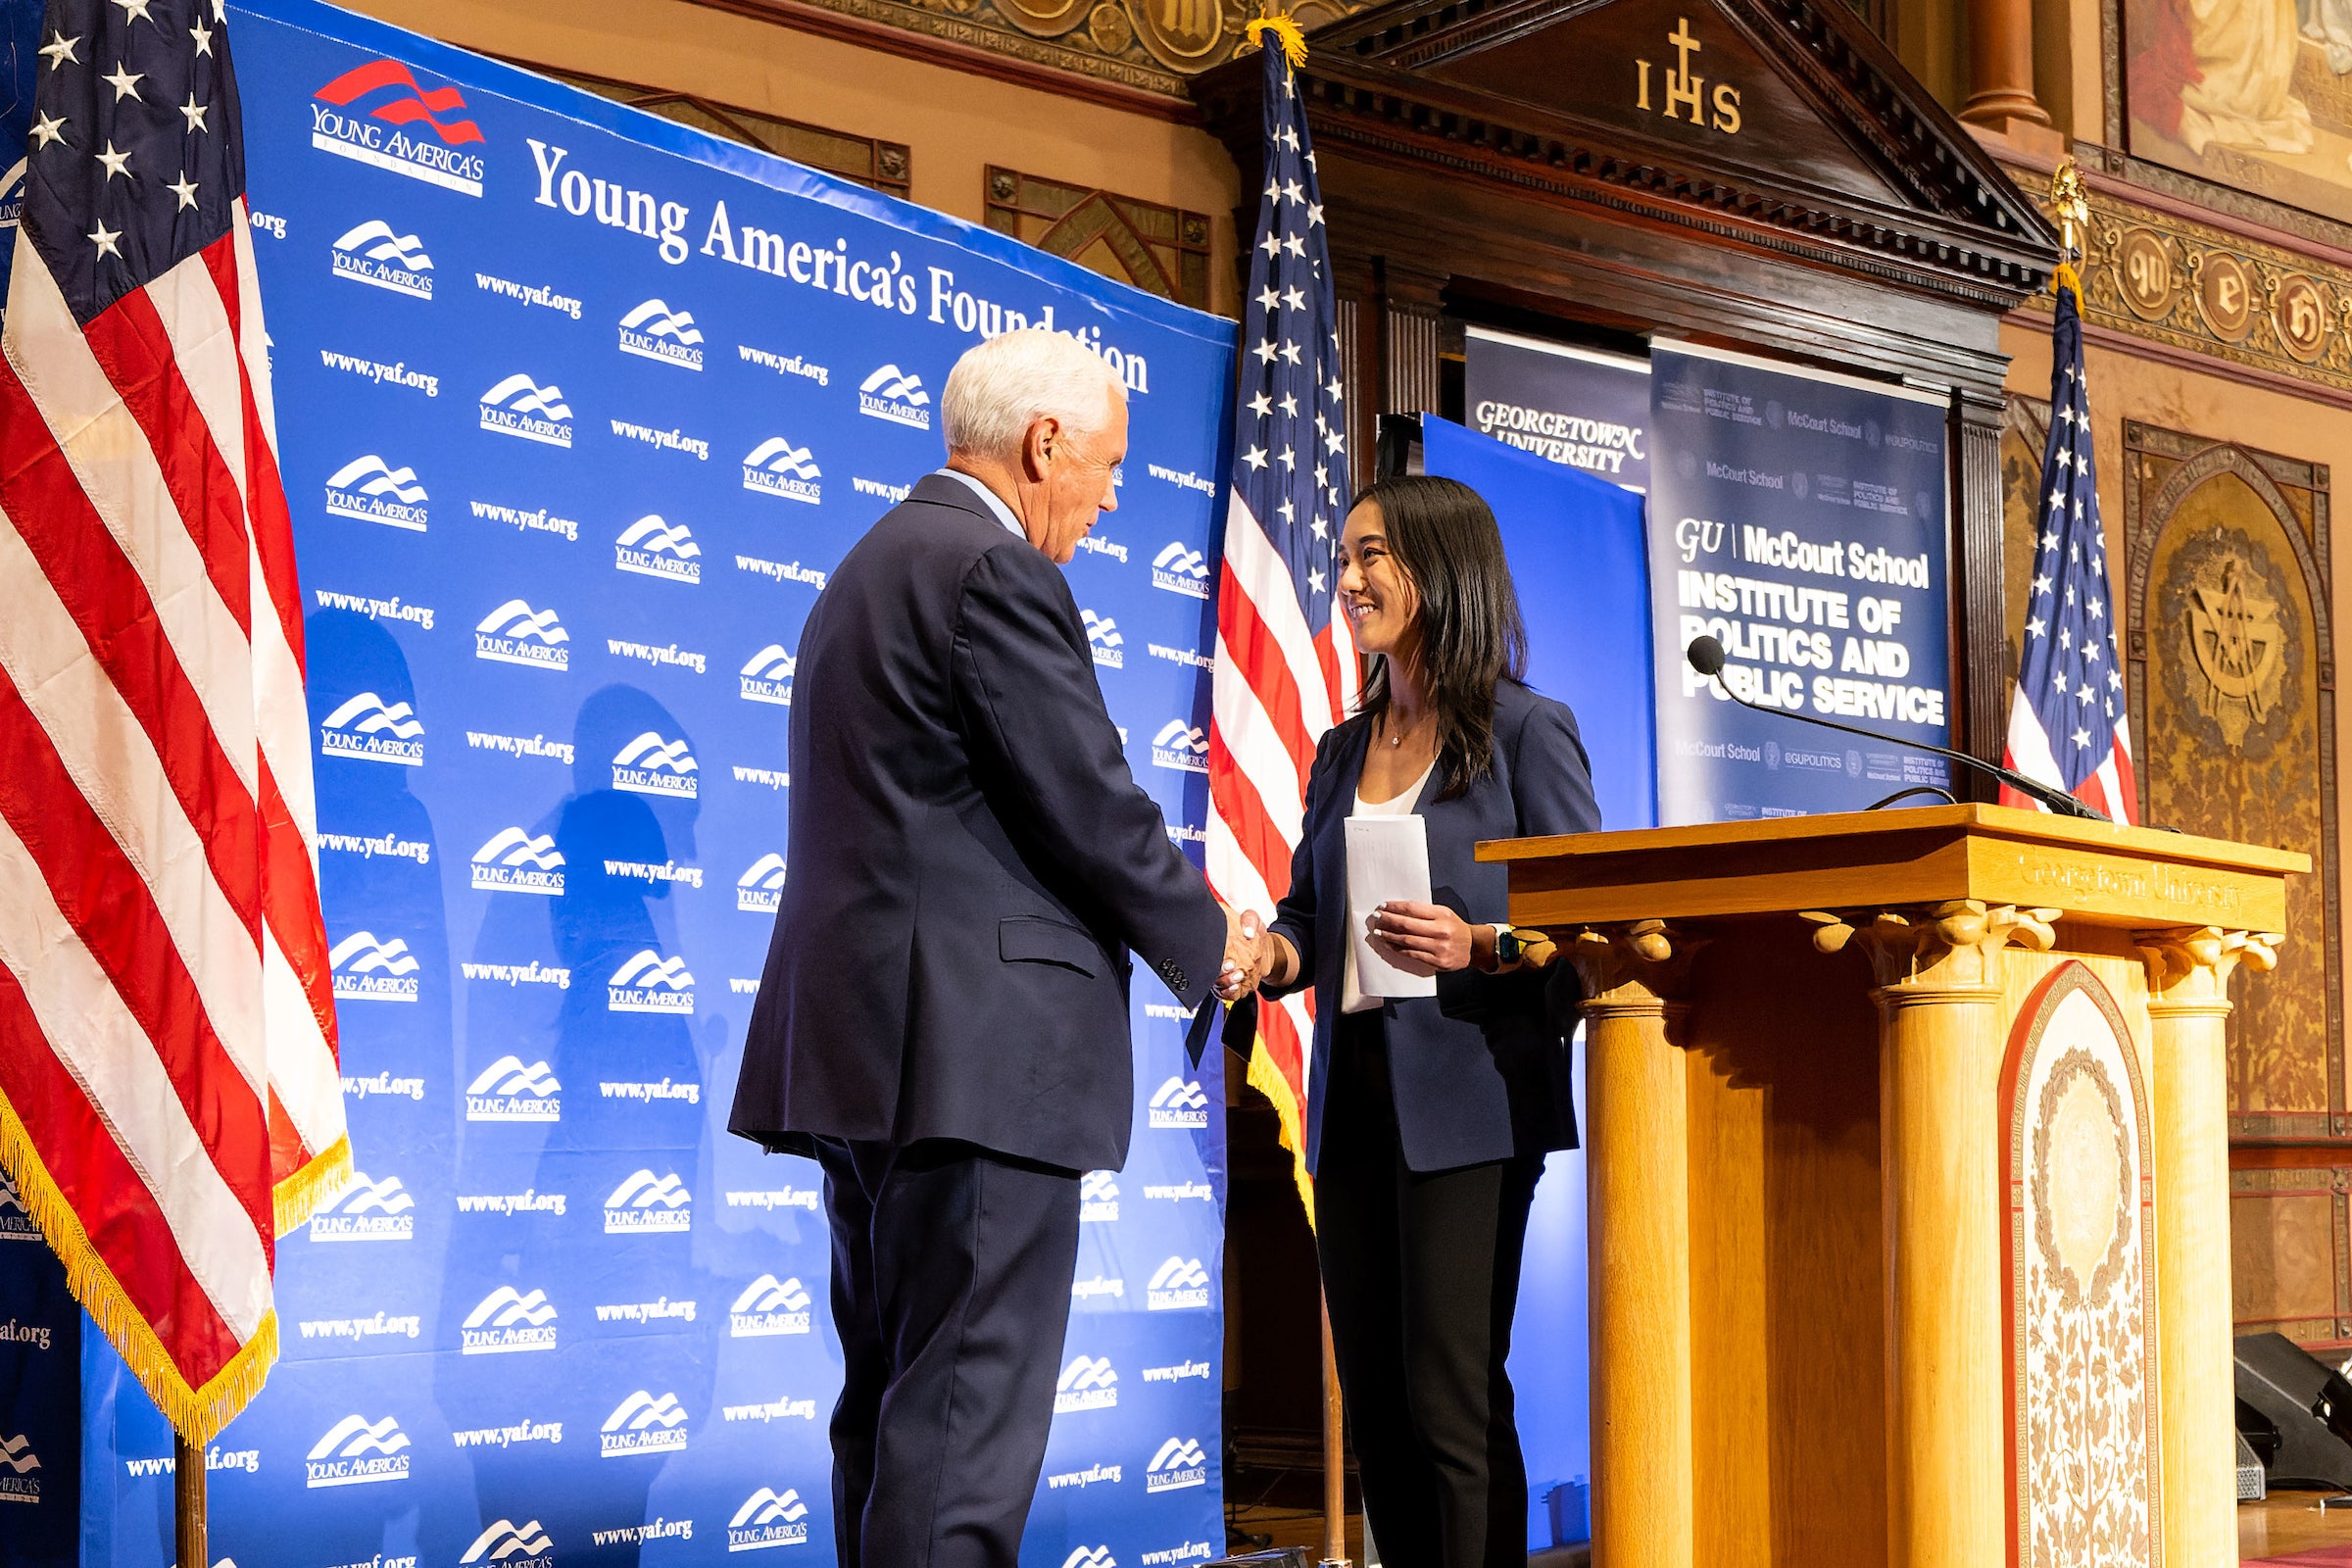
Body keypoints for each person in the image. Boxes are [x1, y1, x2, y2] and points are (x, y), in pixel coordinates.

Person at [726, 328, 1256, 1567]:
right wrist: (1209, 940)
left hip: (868, 1059)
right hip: (976, 1069)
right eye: (1109, 467)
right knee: (960, 1442)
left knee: (895, 1414)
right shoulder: (993, 570)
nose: (1116, 499)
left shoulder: (865, 566)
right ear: (1042, 443)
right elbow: (1088, 795)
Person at [1232, 474, 1600, 1568]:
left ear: (1441, 569)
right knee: (1381, 1400)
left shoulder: (1530, 731)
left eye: (1370, 556)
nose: (1346, 579)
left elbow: (1588, 930)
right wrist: (1270, 952)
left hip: (1476, 1103)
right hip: (1356, 1104)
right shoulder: (1344, 748)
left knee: (1450, 1399)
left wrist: (1477, 944)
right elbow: (1311, 910)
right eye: (1344, 557)